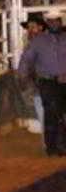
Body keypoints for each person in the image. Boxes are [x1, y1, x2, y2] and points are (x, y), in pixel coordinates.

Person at [17, 10, 66, 156]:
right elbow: (26, 61)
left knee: (57, 114)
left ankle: (59, 145)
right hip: (48, 81)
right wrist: (23, 78)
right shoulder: (38, 42)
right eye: (51, 21)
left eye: (56, 20)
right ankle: (53, 147)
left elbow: (26, 61)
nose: (54, 23)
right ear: (47, 23)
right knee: (51, 114)